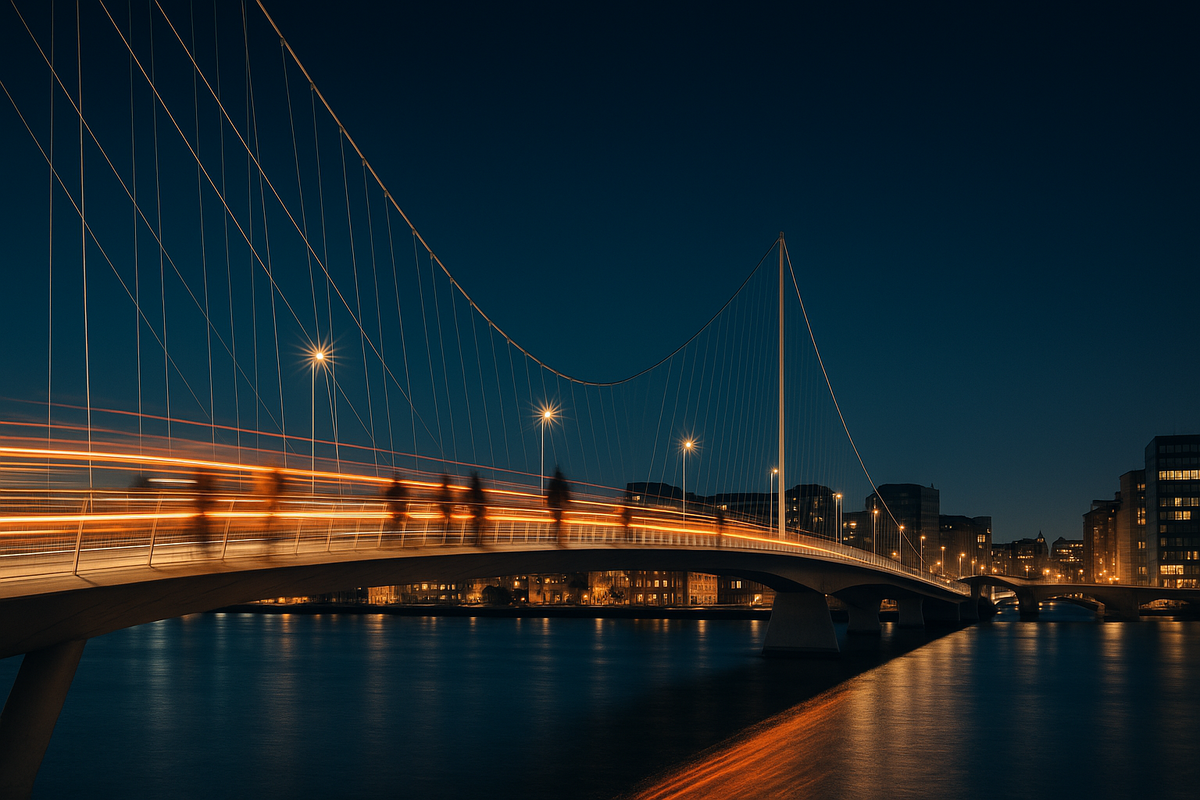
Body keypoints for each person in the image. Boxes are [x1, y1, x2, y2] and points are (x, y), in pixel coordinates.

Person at [546, 467, 571, 544]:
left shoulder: (553, 482)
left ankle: (553, 536)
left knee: (556, 521)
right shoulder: (561, 482)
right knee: (559, 522)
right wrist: (568, 501)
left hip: (554, 505)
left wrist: (549, 503)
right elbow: (565, 492)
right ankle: (557, 537)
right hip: (560, 505)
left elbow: (549, 493)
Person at [467, 471, 486, 545]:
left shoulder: (474, 489)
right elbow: (483, 499)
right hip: (479, 510)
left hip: (476, 510)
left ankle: (476, 540)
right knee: (478, 526)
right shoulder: (479, 489)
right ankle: (478, 540)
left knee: (475, 526)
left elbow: (469, 497)